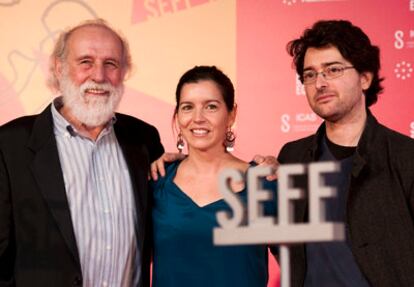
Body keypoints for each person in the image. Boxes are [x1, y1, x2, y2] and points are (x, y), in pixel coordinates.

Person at [0, 19, 164, 286]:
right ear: (59, 67)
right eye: (85, 62)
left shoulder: (144, 139)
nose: (98, 76)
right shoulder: (9, 146)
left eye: (111, 64)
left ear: (123, 72)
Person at [277, 20, 414, 286]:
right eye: (310, 74)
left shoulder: (405, 156)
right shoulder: (291, 156)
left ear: (365, 78)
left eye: (333, 70)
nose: (320, 83)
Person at [151, 66, 278, 287]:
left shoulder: (265, 183)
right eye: (187, 107)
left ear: (231, 114)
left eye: (211, 107)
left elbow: (301, 264)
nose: (198, 118)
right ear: (178, 115)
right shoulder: (157, 181)